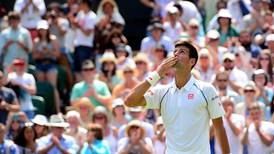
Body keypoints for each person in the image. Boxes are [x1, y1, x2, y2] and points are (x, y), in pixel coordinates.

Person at [125, 40, 230, 153]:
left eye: (182, 52)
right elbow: (130, 101)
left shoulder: (206, 90)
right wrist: (157, 74)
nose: (176, 54)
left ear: (192, 61)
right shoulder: (162, 91)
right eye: (175, 51)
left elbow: (219, 128)